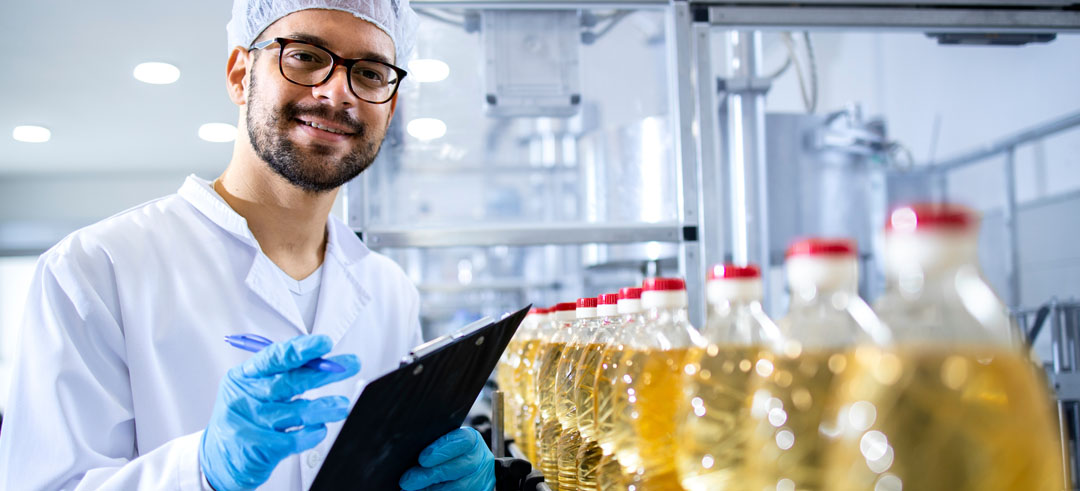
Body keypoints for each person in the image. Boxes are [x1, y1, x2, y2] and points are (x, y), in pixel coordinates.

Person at [0, 1, 496, 490]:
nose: (336, 92)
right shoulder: (93, 270)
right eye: (305, 56)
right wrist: (201, 471)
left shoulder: (388, 289)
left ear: (390, 105)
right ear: (241, 75)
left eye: (369, 73)